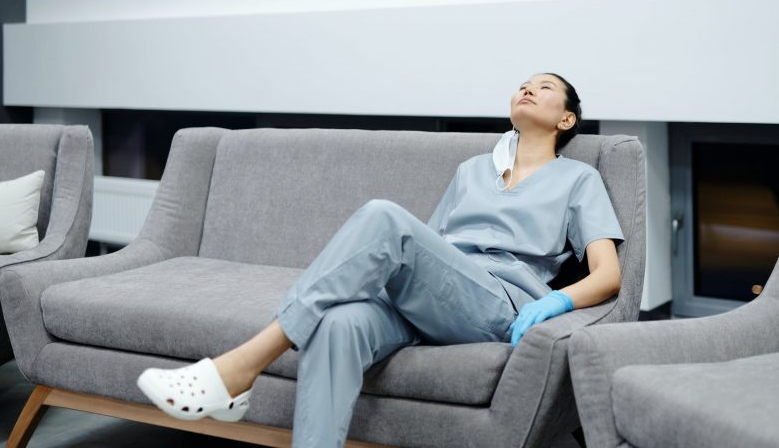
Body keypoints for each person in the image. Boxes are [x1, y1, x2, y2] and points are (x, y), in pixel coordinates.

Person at [136, 73, 624, 447]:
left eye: (543, 87)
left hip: (496, 302)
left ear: (566, 120)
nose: (527, 89)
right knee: (339, 324)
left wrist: (553, 302)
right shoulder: (473, 170)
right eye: (522, 85)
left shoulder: (578, 179)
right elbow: (429, 248)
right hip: (437, 297)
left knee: (384, 218)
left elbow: (608, 275)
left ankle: (239, 367)